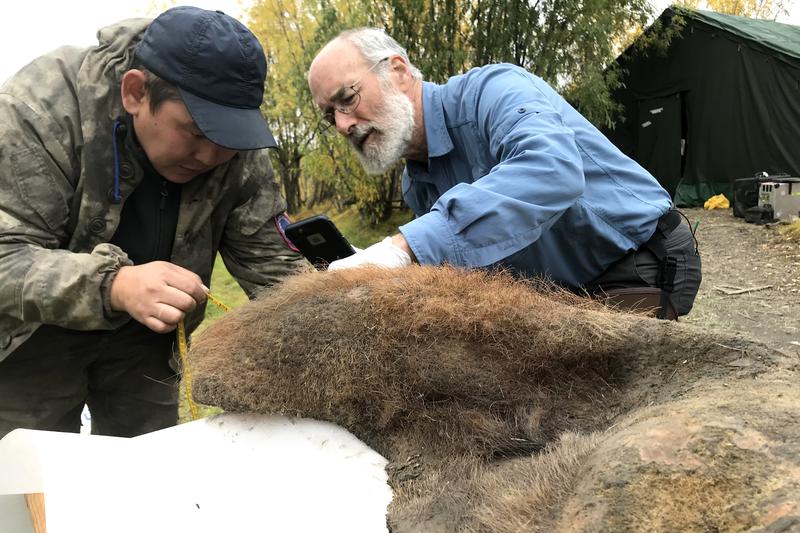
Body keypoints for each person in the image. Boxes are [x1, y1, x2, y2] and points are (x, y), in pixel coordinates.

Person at [0, 6, 306, 438]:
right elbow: (5, 257)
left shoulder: (233, 144)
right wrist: (114, 285)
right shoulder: (40, 110)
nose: (211, 157)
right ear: (135, 93)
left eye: (228, 141)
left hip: (145, 345)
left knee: (145, 478)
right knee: (33, 487)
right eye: (196, 133)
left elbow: (278, 271)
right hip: (32, 339)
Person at [307, 28, 701, 318]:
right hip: (560, 289)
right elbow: (459, 257)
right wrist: (383, 266)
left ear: (398, 70)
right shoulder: (416, 182)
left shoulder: (494, 90)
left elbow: (552, 170)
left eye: (348, 98)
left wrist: (403, 247)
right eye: (330, 115)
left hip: (636, 259)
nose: (343, 125)